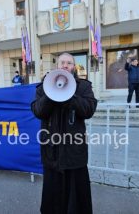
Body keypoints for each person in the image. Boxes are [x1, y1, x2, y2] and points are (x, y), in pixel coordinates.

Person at [31, 53, 97, 214]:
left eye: (69, 63)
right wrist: (50, 93)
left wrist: (70, 96)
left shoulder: (83, 87)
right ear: (57, 66)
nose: (65, 65)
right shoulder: (43, 87)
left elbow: (89, 110)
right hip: (51, 151)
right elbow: (38, 111)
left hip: (74, 151)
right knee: (53, 196)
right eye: (62, 62)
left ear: (74, 67)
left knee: (77, 197)